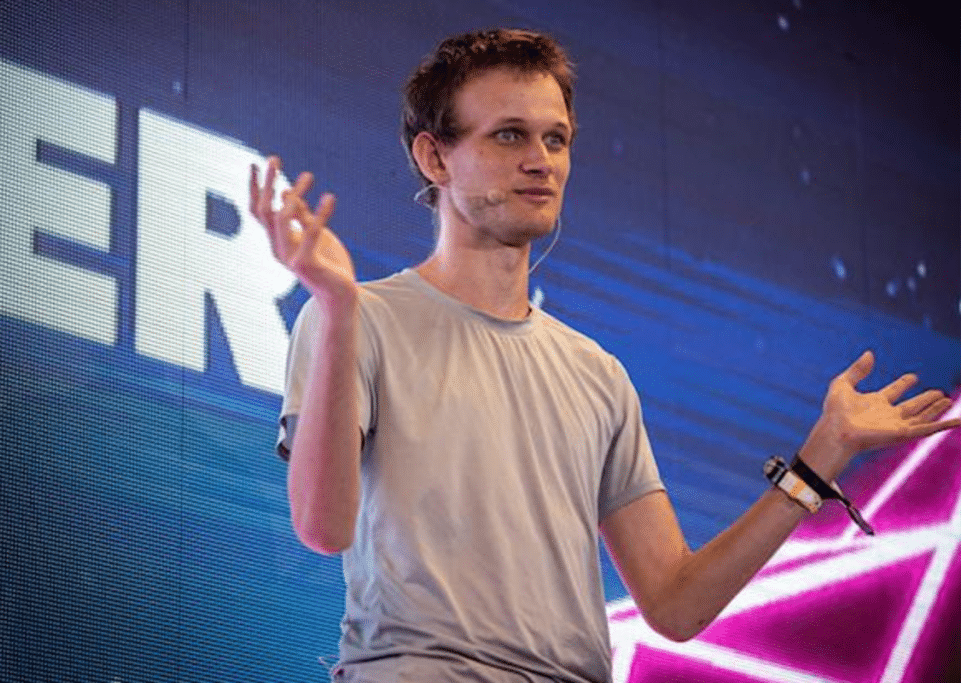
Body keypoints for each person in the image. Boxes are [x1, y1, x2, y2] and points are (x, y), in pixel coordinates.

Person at [249, 28, 959, 683]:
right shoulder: (357, 318)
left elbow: (677, 604)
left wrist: (822, 455)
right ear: (435, 157)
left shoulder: (598, 375)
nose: (541, 160)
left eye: (556, 139)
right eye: (509, 135)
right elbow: (322, 526)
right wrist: (336, 308)